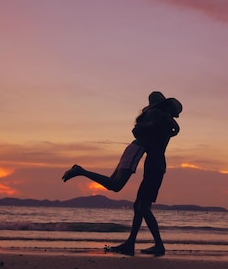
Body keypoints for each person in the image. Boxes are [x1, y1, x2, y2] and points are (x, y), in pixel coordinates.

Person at [62, 91, 182, 256]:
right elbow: (166, 129)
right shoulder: (160, 119)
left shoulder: (161, 120)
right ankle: (140, 243)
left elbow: (164, 129)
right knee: (135, 201)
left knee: (139, 205)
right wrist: (152, 124)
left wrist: (149, 125)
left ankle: (139, 244)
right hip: (153, 165)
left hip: (152, 166)